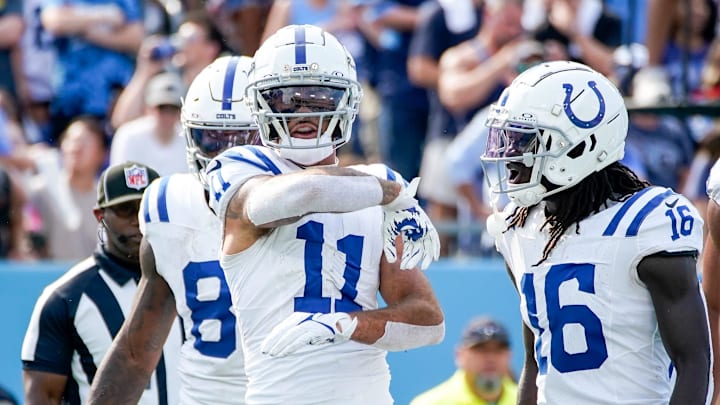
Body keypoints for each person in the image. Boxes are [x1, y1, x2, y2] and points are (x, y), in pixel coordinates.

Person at [205, 24, 445, 404]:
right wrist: (391, 191)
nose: (302, 114)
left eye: (318, 99)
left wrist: (344, 324)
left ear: (346, 101)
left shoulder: (374, 185)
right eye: (285, 100)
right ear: (260, 104)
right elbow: (299, 194)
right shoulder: (240, 168)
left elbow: (429, 322)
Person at [479, 60, 711, 404]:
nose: (511, 158)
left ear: (579, 146)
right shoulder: (519, 227)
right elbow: (537, 362)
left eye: (526, 143)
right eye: (508, 139)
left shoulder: (645, 224)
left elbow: (694, 363)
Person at [87, 55, 257, 405]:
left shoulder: (317, 203)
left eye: (240, 140)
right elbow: (135, 354)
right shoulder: (173, 208)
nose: (225, 157)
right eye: (212, 139)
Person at [21, 161, 182, 404]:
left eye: (145, 208)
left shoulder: (192, 280)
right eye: (126, 209)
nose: (138, 220)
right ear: (100, 216)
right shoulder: (66, 297)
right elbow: (44, 396)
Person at [410, 316, 517, 405]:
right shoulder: (428, 403)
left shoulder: (528, 400)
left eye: (498, 350)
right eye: (480, 349)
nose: (490, 358)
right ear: (459, 355)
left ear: (509, 355)